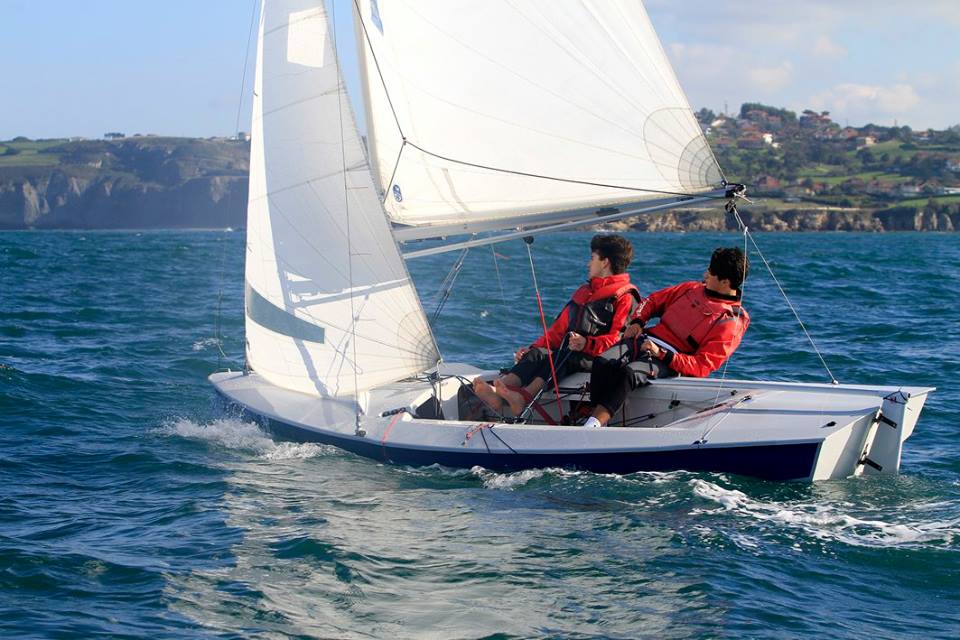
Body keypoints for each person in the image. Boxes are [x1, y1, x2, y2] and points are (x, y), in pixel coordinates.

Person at [472, 234, 639, 418]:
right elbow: (557, 332)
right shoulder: (584, 292)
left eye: (592, 258)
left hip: (600, 361)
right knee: (537, 354)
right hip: (571, 353)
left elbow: (619, 339)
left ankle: (523, 398)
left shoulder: (626, 298)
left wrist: (586, 343)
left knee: (562, 356)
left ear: (605, 262)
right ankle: (498, 391)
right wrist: (531, 349)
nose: (588, 264)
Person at [582, 247, 750, 428]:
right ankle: (592, 417)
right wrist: (638, 321)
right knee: (602, 361)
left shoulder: (731, 320)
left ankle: (592, 425)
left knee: (628, 373)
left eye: (711, 272)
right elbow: (651, 301)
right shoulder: (691, 288)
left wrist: (662, 354)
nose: (705, 274)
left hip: (670, 360)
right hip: (645, 341)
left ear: (725, 282)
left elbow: (702, 366)